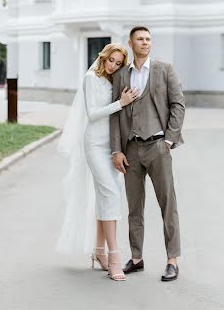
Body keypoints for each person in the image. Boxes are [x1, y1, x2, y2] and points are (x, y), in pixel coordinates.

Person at [56, 43, 140, 281]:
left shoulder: (114, 81)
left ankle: (99, 251)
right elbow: (93, 114)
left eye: (118, 63)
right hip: (94, 144)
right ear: (103, 58)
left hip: (112, 146)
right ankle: (114, 256)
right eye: (110, 60)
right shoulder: (91, 78)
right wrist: (120, 103)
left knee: (107, 196)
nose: (113, 65)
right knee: (111, 193)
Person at [110, 26, 185, 282]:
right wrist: (117, 149)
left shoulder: (165, 70)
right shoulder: (121, 75)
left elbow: (178, 104)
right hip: (131, 148)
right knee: (134, 207)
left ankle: (172, 260)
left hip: (157, 146)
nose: (145, 42)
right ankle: (137, 257)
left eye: (148, 39)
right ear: (130, 44)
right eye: (140, 39)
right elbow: (115, 114)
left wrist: (169, 140)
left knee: (167, 204)